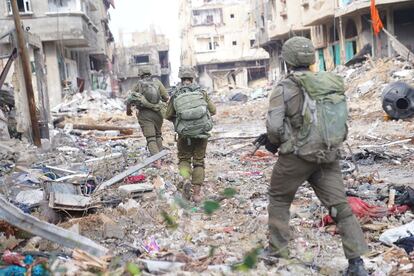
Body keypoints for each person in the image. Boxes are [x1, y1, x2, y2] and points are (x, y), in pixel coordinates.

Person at [261, 36, 369, 276]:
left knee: (279, 199)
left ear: (287, 60)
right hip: (328, 154)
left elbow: (274, 128)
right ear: (311, 58)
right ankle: (356, 263)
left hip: (296, 158)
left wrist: (279, 142)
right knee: (340, 206)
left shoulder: (285, 86)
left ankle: (278, 251)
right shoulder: (328, 82)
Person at [165, 66, 216, 202]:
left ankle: (186, 179)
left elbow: (168, 114)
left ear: (180, 77)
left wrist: (180, 121)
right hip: (201, 133)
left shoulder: (176, 93)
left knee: (184, 159)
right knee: (199, 162)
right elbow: (213, 110)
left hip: (184, 134)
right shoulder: (201, 92)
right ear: (193, 77)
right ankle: (197, 194)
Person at [126, 68, 169, 158]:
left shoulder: (138, 84)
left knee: (151, 138)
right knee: (158, 135)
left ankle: (157, 161)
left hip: (144, 114)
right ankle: (161, 157)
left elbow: (130, 99)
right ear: (150, 74)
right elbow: (166, 97)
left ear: (140, 75)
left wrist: (128, 111)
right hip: (158, 113)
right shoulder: (157, 82)